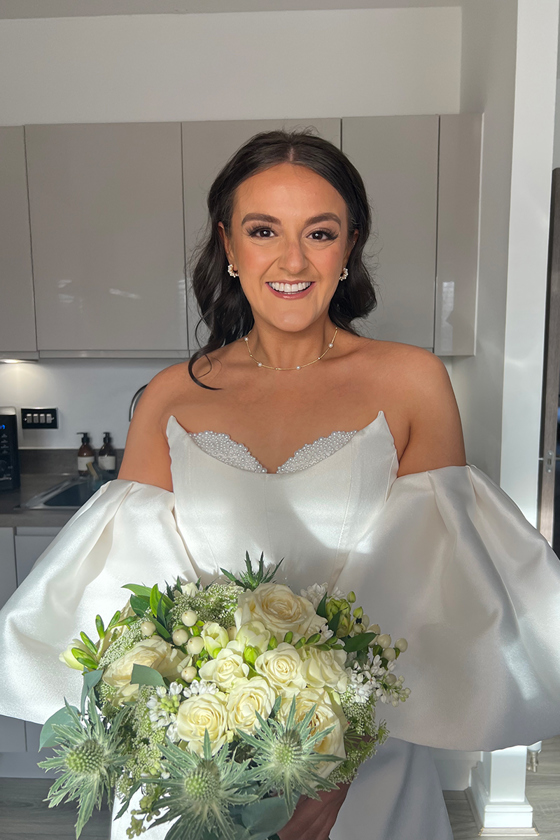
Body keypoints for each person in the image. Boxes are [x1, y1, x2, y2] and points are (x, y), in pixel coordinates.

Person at [1, 129, 559, 840]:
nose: (292, 260)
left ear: (349, 246)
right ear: (228, 245)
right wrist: (211, 769)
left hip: (367, 767)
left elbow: (431, 599)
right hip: (197, 770)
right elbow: (130, 611)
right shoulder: (172, 397)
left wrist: (330, 776)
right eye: (264, 230)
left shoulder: (412, 380)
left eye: (319, 233)